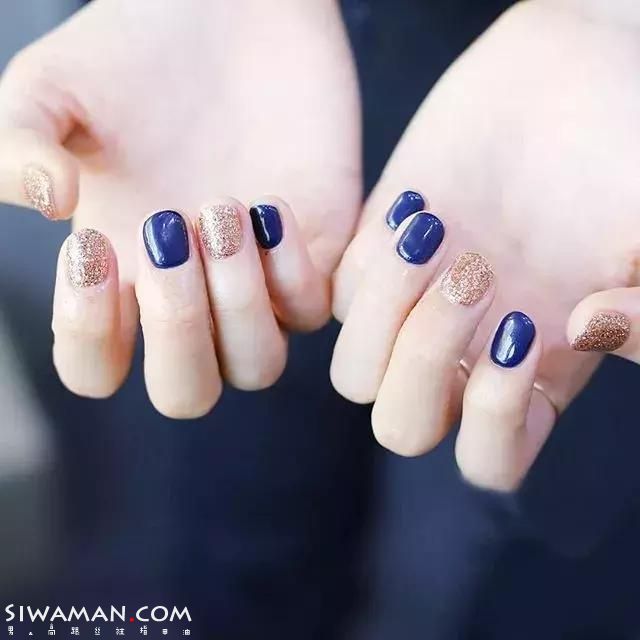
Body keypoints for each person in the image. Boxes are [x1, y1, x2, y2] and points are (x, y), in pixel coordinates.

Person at [2, 0, 640, 636]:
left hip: (574, 169)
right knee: (245, 513)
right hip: (247, 117)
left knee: (517, 542)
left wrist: (617, 24)